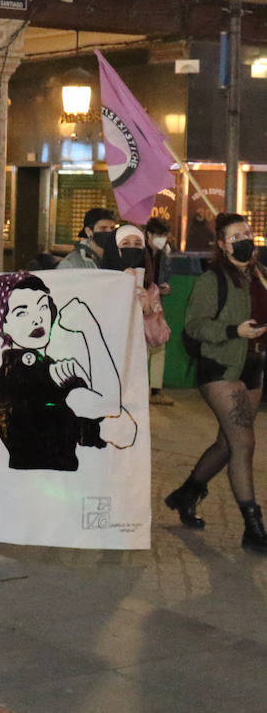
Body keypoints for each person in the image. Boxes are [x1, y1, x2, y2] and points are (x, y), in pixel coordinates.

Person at [166, 213, 267, 552]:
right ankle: (253, 526)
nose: (245, 239)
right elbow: (194, 325)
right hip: (221, 367)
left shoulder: (259, 275)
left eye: (248, 232)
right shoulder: (212, 280)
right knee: (244, 444)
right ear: (222, 245)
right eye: (236, 235)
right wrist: (232, 331)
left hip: (252, 366)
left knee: (228, 443)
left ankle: (187, 494)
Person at [0, 271, 136, 472]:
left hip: (55, 491)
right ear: (3, 324)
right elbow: (109, 406)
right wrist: (90, 330)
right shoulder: (24, 372)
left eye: (42, 306)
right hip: (38, 490)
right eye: (22, 312)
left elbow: (125, 430)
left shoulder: (49, 369)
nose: (37, 319)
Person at [145, 217, 175, 406]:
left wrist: (163, 287)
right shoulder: (141, 253)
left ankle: (155, 391)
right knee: (146, 348)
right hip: (144, 307)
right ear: (149, 234)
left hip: (154, 306)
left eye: (164, 236)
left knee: (158, 346)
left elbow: (160, 278)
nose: (161, 239)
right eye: (158, 235)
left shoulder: (162, 254)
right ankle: (144, 390)